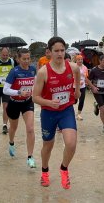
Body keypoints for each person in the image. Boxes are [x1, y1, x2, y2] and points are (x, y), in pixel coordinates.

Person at [32, 36, 80, 189]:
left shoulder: (73, 67)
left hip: (66, 110)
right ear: (49, 52)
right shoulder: (43, 72)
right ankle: (45, 171)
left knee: (71, 143)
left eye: (62, 50)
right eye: (56, 51)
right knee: (48, 145)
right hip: (48, 113)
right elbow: (35, 97)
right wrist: (48, 102)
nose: (59, 54)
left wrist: (77, 91)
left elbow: (78, 79)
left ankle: (64, 169)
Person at [3, 48, 37, 168]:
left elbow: (37, 85)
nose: (27, 61)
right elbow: (5, 90)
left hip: (27, 103)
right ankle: (11, 143)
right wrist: (18, 92)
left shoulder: (33, 70)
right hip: (14, 103)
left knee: (30, 128)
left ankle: (30, 157)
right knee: (13, 127)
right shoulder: (14, 72)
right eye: (24, 59)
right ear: (18, 59)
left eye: (28, 58)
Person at [87, 54, 104, 133]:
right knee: (103, 109)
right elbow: (88, 80)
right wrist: (93, 87)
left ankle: (97, 105)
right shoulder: (94, 70)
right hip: (97, 91)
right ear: (100, 61)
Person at [75, 55, 88, 120]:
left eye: (81, 59)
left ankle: (79, 114)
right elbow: (71, 76)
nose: (80, 61)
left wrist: (84, 81)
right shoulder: (74, 67)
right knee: (74, 101)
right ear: (76, 60)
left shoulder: (85, 67)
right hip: (74, 86)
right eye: (79, 59)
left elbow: (86, 76)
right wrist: (76, 82)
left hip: (82, 86)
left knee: (82, 100)